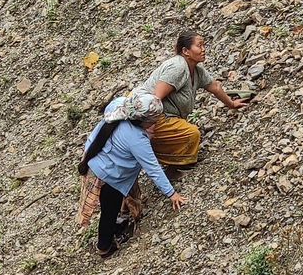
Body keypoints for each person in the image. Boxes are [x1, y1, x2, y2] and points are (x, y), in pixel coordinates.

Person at [79, 93, 187, 259]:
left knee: (110, 205)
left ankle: (122, 219)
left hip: (93, 158)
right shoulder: (136, 138)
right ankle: (104, 246)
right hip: (108, 176)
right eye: (153, 121)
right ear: (142, 120)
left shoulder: (120, 106)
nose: (155, 124)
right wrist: (172, 194)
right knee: (109, 210)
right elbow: (153, 169)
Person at [133, 32, 249, 170]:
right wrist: (149, 128)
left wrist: (232, 104)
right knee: (191, 134)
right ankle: (164, 159)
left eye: (204, 45)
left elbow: (215, 87)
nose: (203, 49)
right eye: (199, 45)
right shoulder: (178, 68)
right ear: (185, 51)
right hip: (149, 113)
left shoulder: (197, 70)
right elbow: (155, 97)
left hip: (164, 114)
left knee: (187, 132)